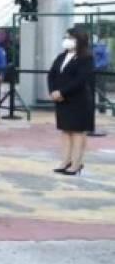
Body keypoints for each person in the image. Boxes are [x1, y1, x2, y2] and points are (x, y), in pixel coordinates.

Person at [48, 29, 94, 176]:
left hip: (78, 100)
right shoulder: (62, 56)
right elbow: (52, 74)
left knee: (77, 132)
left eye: (70, 38)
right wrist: (53, 91)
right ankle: (65, 161)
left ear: (79, 40)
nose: (66, 40)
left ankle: (76, 164)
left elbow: (80, 80)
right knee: (65, 131)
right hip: (61, 100)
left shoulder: (86, 58)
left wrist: (62, 92)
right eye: (66, 37)